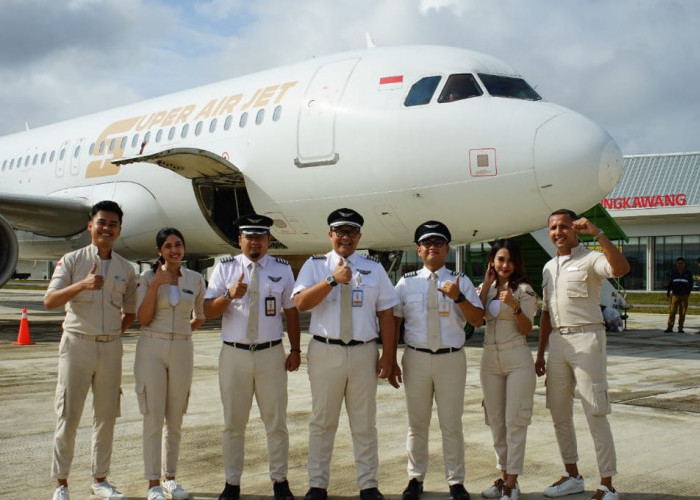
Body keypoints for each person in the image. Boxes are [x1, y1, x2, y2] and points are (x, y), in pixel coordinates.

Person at [293, 208, 398, 500]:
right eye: (340, 231)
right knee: (322, 421)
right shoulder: (315, 266)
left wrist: (388, 356)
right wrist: (332, 280)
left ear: (360, 236)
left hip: (364, 351)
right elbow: (300, 302)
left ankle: (368, 484)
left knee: (364, 422)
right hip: (326, 350)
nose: (346, 237)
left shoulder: (373, 268)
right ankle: (317, 484)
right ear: (330, 235)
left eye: (352, 232)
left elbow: (387, 313)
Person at [44, 200, 137, 500]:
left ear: (119, 230)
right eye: (102, 222)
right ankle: (61, 483)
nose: (107, 228)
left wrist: (111, 335)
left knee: (106, 416)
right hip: (77, 344)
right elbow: (51, 300)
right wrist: (81, 285)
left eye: (113, 224)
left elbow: (130, 311)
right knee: (69, 414)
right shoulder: (72, 260)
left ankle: (100, 479)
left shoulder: (126, 268)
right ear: (90, 225)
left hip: (110, 348)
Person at [203, 214, 301, 500]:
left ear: (269, 240)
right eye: (249, 236)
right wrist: (229, 295)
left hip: (271, 354)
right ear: (240, 240)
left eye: (261, 236)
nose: (255, 241)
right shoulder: (225, 268)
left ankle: (280, 481)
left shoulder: (281, 269)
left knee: (276, 422)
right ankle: (232, 483)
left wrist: (295, 350)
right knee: (233, 423)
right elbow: (208, 311)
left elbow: (292, 312)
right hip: (235, 355)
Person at [535, 209, 629, 500]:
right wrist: (540, 354)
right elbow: (547, 313)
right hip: (557, 344)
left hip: (587, 338)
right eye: (552, 227)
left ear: (576, 229)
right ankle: (572, 475)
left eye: (564, 226)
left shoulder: (591, 258)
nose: (557, 232)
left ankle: (607, 484)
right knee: (559, 412)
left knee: (595, 410)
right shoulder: (549, 267)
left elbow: (621, 268)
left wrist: (598, 234)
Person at [393, 221, 483, 500]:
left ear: (447, 249)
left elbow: (477, 320)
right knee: (416, 423)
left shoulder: (461, 280)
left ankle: (456, 480)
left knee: (451, 423)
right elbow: (393, 321)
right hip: (416, 358)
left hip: (450, 359)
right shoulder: (406, 283)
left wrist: (458, 298)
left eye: (439, 243)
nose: (433, 247)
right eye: (427, 243)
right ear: (419, 250)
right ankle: (415, 477)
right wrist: (388, 357)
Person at [135, 228, 206, 500]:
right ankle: (153, 482)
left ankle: (170, 479)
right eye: (167, 246)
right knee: (152, 416)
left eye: (178, 245)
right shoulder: (147, 277)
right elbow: (142, 318)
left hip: (182, 347)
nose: (174, 250)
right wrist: (156, 284)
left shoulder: (195, 278)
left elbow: (200, 315)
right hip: (151, 346)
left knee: (175, 417)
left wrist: (181, 333)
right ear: (159, 252)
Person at [477, 239, 537, 500]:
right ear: (493, 261)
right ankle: (503, 477)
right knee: (496, 422)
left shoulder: (524, 290)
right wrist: (486, 284)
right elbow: (476, 318)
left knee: (515, 422)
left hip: (517, 359)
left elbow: (526, 329)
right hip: (489, 359)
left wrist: (514, 306)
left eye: (510, 260)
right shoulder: (487, 288)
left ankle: (512, 483)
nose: (505, 265)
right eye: (500, 259)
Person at [664, 257, 693, 333]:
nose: (680, 265)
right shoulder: (673, 272)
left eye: (682, 263)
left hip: (684, 295)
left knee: (682, 312)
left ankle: (680, 328)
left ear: (684, 264)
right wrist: (668, 292)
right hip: (675, 295)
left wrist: (688, 293)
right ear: (677, 264)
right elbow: (670, 283)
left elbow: (691, 284)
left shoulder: (688, 273)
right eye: (679, 263)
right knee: (672, 311)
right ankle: (669, 327)